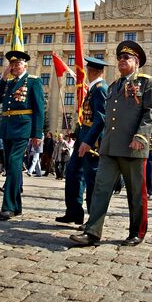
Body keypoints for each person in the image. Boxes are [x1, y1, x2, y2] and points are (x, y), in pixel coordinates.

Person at [70, 40, 152, 246]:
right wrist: (89, 141)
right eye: (119, 58)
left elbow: (150, 112)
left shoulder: (146, 82)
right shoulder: (114, 86)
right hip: (109, 147)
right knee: (101, 188)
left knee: (136, 193)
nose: (121, 61)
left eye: (126, 57)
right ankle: (92, 232)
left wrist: (140, 136)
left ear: (136, 61)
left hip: (132, 147)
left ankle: (137, 232)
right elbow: (105, 118)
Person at [0, 47, 44, 220]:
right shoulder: (10, 83)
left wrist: (37, 133)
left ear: (25, 65)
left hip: (22, 128)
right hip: (7, 127)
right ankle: (17, 206)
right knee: (11, 166)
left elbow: (39, 109)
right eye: (11, 64)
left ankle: (8, 207)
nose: (13, 66)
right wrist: (3, 78)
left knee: (13, 164)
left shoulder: (33, 81)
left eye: (17, 63)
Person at [57, 57, 109, 225]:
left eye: (89, 69)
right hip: (83, 137)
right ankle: (74, 212)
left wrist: (88, 140)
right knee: (73, 172)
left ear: (94, 71)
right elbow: (87, 117)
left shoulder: (101, 89)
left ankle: (93, 219)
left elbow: (100, 119)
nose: (88, 72)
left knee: (91, 178)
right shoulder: (93, 89)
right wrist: (77, 134)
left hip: (92, 142)